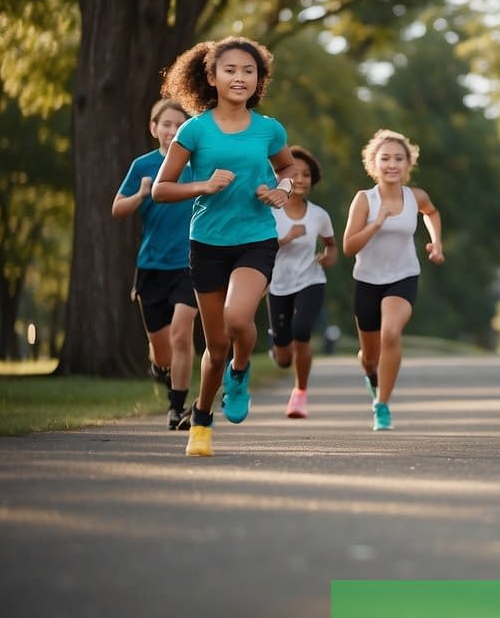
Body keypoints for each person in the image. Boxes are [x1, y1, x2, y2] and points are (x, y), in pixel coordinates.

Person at [153, 36, 299, 457]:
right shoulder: (194, 129)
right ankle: (201, 417)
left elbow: (286, 166)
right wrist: (204, 184)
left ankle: (241, 371)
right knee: (214, 347)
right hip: (208, 243)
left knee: (239, 318)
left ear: (259, 79)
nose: (239, 77)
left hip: (256, 238)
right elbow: (162, 189)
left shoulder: (270, 129)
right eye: (230, 70)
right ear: (212, 77)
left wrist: (283, 189)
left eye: (248, 71)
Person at [342, 129, 444, 432]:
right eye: (385, 158)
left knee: (390, 335)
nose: (392, 164)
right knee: (370, 356)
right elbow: (348, 247)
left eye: (399, 158)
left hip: (403, 277)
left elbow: (432, 212)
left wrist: (436, 242)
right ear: (374, 163)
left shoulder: (416, 197)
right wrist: (377, 223)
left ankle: (382, 405)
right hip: (367, 280)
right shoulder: (364, 200)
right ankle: (372, 375)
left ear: (407, 164)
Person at [112, 99, 199, 430]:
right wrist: (141, 195)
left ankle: (177, 409)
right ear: (154, 128)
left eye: (180, 126)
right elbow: (118, 209)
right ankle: (160, 369)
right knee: (162, 350)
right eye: (167, 124)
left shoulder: (198, 165)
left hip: (190, 264)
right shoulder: (143, 166)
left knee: (181, 334)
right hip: (151, 266)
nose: (173, 131)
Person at [266, 146, 337, 419]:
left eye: (306, 174)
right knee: (284, 357)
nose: (300, 179)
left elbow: (331, 245)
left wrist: (328, 257)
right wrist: (286, 238)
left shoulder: (319, 215)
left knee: (302, 329)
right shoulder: (271, 212)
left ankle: (300, 394)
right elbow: (259, 248)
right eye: (294, 173)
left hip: (311, 279)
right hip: (279, 284)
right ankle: (277, 345)